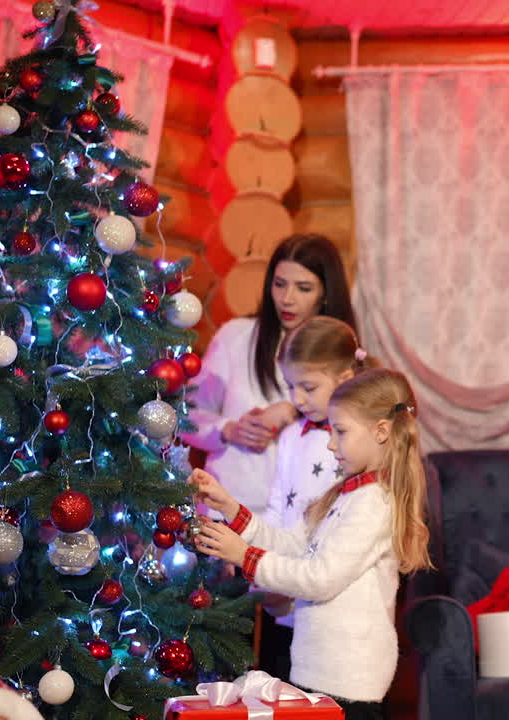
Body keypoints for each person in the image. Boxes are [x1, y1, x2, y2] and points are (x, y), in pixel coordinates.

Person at [190, 369, 432, 720]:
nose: (331, 443)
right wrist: (231, 508)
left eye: (341, 431)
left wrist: (244, 556)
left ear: (381, 431)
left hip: (348, 682)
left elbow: (319, 578)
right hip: (319, 673)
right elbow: (292, 546)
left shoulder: (374, 503)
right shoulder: (348, 496)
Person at [181, 233, 355, 519]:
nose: (287, 299)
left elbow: (359, 434)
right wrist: (228, 430)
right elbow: (186, 418)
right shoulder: (235, 336)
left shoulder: (343, 353)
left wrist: (293, 411)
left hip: (303, 522)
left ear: (326, 294)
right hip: (225, 513)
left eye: (303, 288)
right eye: (280, 284)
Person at [258, 315, 379, 679]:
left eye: (308, 387)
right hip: (285, 594)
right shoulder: (292, 435)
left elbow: (344, 532)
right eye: (290, 386)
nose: (296, 399)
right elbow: (278, 504)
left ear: (344, 378)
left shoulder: (356, 445)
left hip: (333, 605)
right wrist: (266, 575)